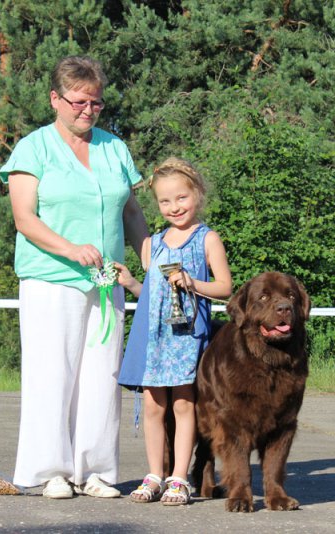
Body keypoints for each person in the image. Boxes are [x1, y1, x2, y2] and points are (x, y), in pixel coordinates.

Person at [0, 55, 149, 499]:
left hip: (106, 282)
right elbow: (24, 219)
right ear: (55, 98)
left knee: (104, 376)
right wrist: (70, 249)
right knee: (52, 374)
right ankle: (50, 472)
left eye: (97, 103)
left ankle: (97, 470)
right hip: (50, 279)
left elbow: (132, 211)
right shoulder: (33, 148)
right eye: (80, 101)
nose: (88, 110)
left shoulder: (114, 148)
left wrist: (153, 264)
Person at [113, 157, 232, 505]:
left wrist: (193, 282)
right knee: (153, 408)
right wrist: (133, 282)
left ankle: (179, 477)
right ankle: (154, 474)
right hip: (154, 338)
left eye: (181, 198)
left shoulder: (207, 238)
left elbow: (225, 287)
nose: (174, 207)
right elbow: (152, 296)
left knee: (183, 405)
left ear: (196, 193)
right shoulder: (152, 244)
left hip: (186, 338)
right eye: (165, 201)